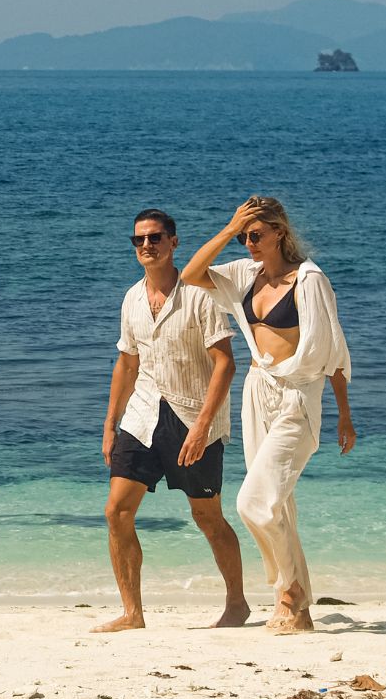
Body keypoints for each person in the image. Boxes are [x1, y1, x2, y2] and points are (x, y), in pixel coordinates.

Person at [181, 196, 356, 634]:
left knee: (254, 502)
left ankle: (290, 589)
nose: (249, 242)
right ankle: (296, 607)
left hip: (298, 396)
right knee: (279, 503)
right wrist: (227, 229)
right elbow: (191, 274)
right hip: (258, 392)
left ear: (280, 231)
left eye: (256, 233)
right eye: (244, 235)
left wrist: (345, 415)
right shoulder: (244, 274)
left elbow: (332, 350)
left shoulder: (310, 280)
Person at [93, 208, 250, 633]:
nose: (147, 245)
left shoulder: (201, 295)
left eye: (156, 238)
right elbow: (126, 364)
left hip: (193, 419)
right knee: (116, 511)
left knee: (207, 518)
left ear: (174, 242)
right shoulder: (131, 298)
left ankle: (237, 603)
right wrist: (110, 424)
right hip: (142, 415)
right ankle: (133, 613)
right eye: (139, 240)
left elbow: (225, 365)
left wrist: (201, 427)